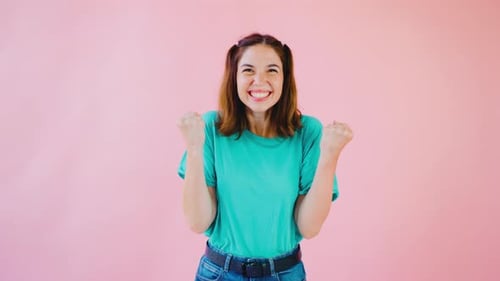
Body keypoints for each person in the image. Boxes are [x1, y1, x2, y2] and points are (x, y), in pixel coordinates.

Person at [177, 33, 353, 281]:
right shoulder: (210, 129)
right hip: (219, 273)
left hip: (284, 273)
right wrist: (194, 148)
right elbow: (197, 222)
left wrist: (330, 155)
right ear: (234, 77)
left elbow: (309, 227)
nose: (259, 81)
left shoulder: (308, 133)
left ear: (284, 78)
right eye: (248, 70)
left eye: (272, 70)